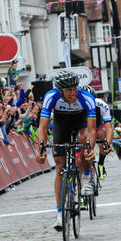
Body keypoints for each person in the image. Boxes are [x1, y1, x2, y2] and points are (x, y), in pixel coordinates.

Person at [35, 71, 97, 231]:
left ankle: (86, 174)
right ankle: (59, 213)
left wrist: (90, 147)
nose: (73, 93)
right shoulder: (51, 97)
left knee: (83, 138)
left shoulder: (86, 98)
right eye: (69, 90)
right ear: (60, 90)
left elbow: (91, 130)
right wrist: (41, 148)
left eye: (75, 88)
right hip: (61, 124)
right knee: (59, 166)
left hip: (81, 122)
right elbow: (42, 127)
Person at [80, 85, 113, 179]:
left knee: (103, 133)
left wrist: (108, 143)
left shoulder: (101, 104)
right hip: (84, 126)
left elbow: (109, 127)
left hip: (97, 125)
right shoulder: (77, 105)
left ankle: (101, 165)